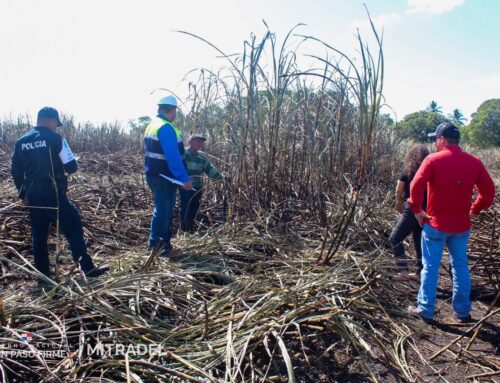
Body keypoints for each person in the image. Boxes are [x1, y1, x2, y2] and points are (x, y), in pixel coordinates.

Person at [407, 123, 495, 323]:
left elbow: (415, 186)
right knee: (461, 266)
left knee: (430, 266)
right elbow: (488, 194)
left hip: (435, 225)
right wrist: (475, 209)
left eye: (435, 139)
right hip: (461, 226)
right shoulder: (474, 162)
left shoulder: (433, 160)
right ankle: (463, 312)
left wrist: (417, 211)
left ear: (442, 140)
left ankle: (425, 310)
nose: (434, 143)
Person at [11, 107, 109, 281]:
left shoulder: (21, 142)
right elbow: (71, 167)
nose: (56, 127)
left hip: (33, 194)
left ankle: (43, 274)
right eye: (56, 123)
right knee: (73, 225)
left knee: (39, 234)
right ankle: (87, 268)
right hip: (52, 193)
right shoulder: (56, 139)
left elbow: (16, 172)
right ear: (51, 120)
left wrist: (23, 194)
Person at [144, 96, 192, 253]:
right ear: (172, 110)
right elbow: (173, 157)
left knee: (163, 209)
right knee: (163, 210)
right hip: (164, 177)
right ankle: (158, 246)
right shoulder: (165, 128)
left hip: (154, 174)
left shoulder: (152, 125)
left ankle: (163, 243)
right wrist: (184, 178)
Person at [389, 144, 429, 281]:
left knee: (395, 238)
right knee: (418, 240)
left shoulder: (408, 170)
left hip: (412, 208)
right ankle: (419, 273)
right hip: (426, 210)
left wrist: (399, 204)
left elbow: (398, 190)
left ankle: (403, 271)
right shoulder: (429, 169)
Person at [179, 134, 224, 232]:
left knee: (194, 207)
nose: (200, 143)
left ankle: (190, 228)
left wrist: (221, 178)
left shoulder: (202, 156)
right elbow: (177, 168)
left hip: (197, 187)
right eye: (197, 141)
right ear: (190, 142)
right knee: (186, 208)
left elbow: (209, 169)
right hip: (185, 187)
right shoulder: (183, 153)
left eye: (201, 142)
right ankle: (184, 229)